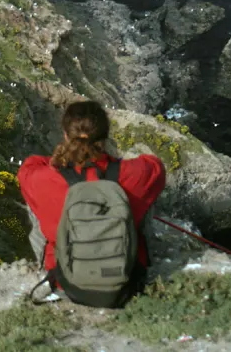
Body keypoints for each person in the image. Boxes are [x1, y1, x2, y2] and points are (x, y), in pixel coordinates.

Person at [18, 100, 165, 305]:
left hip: (67, 284)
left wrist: (60, 160)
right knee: (144, 198)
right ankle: (141, 260)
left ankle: (49, 266)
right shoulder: (133, 174)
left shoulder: (42, 179)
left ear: (66, 135)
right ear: (105, 137)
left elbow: (29, 166)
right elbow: (155, 165)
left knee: (35, 204)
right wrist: (115, 163)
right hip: (126, 283)